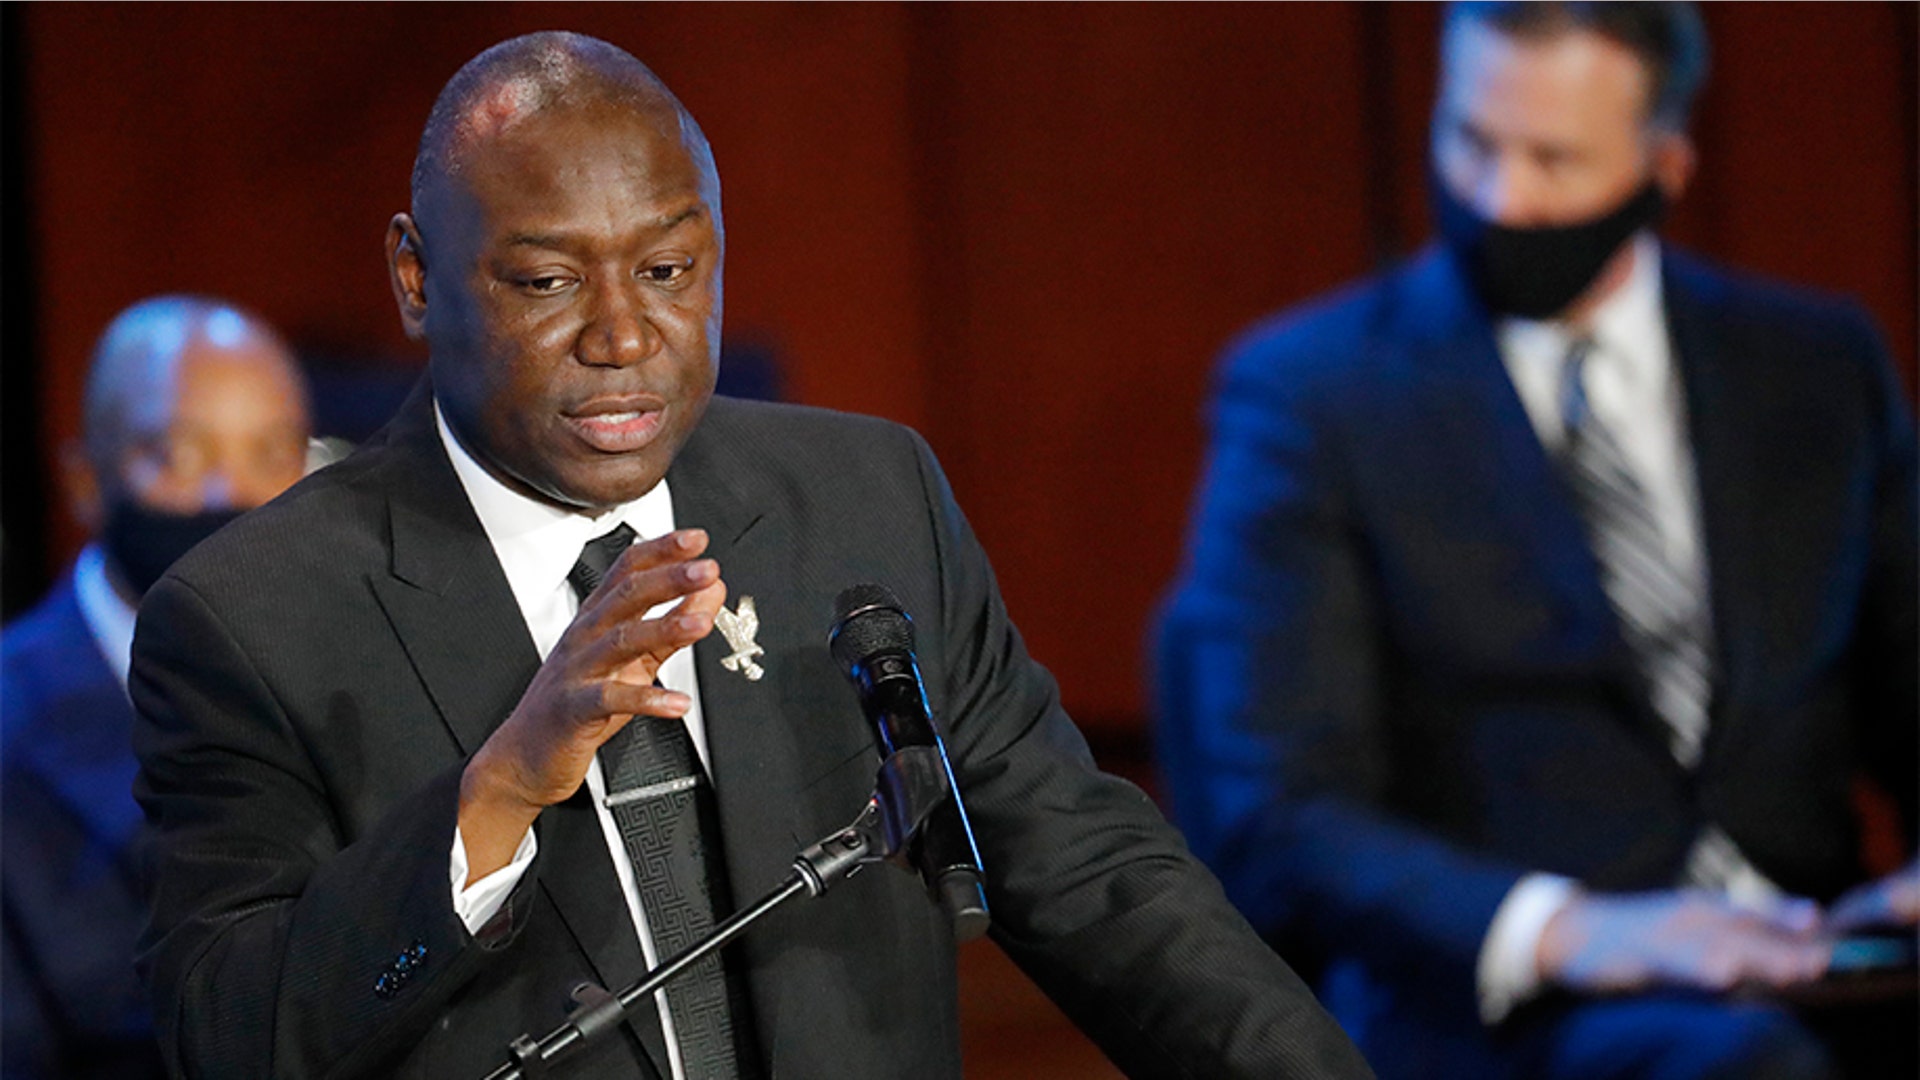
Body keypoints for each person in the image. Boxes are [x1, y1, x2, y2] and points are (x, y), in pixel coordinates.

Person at [127, 32, 1372, 1080]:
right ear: (416, 276)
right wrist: (497, 793)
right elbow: (223, 1035)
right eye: (549, 280)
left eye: (669, 269)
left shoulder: (867, 499)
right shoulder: (251, 620)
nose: (624, 335)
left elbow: (1091, 870)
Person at [1155, 3, 1917, 1078]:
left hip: (1818, 959)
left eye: (1555, 160)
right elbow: (1277, 811)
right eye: (1470, 142)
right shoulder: (1312, 396)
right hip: (1509, 1010)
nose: (1500, 199)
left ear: (1667, 163)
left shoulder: (1816, 368)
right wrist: (1572, 931)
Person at [2, 296, 312, 1079]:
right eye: (178, 454)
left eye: (270, 453)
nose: (227, 495)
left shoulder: (359, 677)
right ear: (85, 480)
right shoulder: (13, 714)